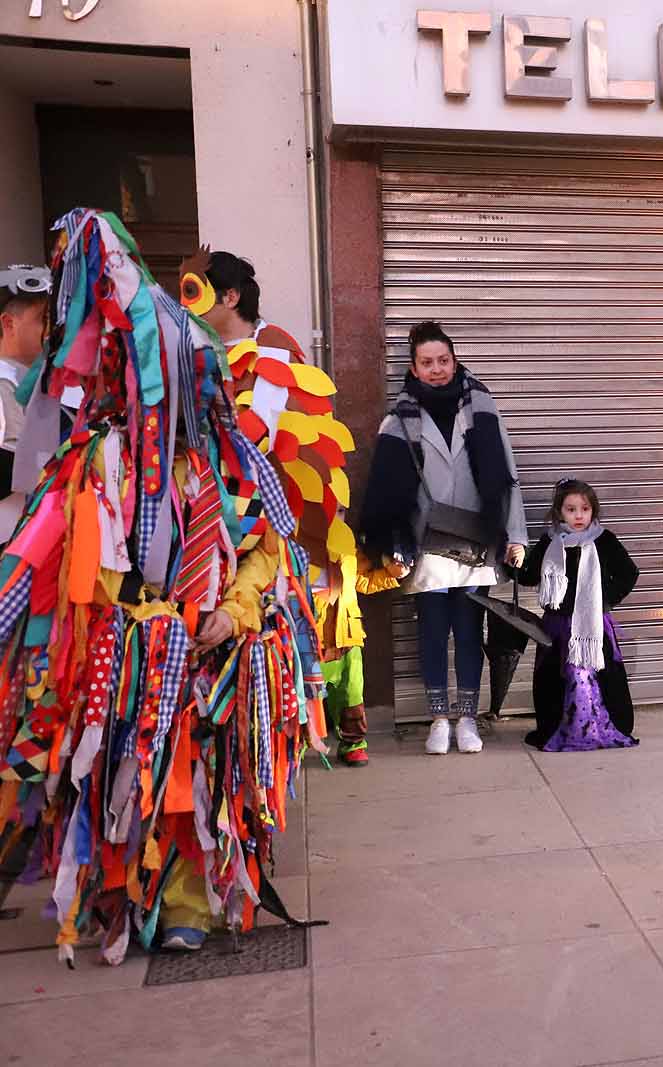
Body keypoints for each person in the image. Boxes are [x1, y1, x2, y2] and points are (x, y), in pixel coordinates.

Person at [0, 209, 328, 962]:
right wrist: (126, 617)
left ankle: (185, 899)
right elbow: (55, 558)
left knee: (191, 772)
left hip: (208, 642)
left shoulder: (230, 460)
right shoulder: (94, 464)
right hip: (125, 648)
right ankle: (111, 893)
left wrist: (237, 608)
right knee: (114, 768)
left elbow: (267, 546)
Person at [178, 247, 368, 765]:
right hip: (204, 524)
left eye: (193, 290)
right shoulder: (193, 349)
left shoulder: (272, 353)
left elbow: (250, 435)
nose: (183, 303)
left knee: (279, 635)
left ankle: (281, 744)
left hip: (267, 526)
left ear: (230, 296)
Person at [358, 321, 526, 755]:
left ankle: (468, 719)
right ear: (413, 367)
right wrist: (391, 544)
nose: (437, 369)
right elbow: (386, 489)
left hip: (476, 539)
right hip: (426, 542)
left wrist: (516, 536)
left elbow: (508, 476)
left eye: (443, 361)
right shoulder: (398, 418)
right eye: (427, 362)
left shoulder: (482, 406)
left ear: (454, 360)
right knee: (433, 632)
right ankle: (438, 719)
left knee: (470, 632)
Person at [518, 478, 639, 751]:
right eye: (571, 509)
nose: (579, 515)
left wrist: (603, 598)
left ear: (593, 510)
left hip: (593, 626)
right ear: (559, 511)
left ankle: (601, 726)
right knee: (556, 680)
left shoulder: (604, 540)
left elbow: (628, 573)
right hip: (557, 627)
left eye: (584, 509)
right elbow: (528, 576)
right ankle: (561, 727)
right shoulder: (551, 542)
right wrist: (516, 557)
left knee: (597, 676)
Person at [0, 264, 51, 541]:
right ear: (8, 323)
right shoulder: (4, 382)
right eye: (42, 319)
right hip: (12, 539)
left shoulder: (52, 378)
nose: (50, 331)